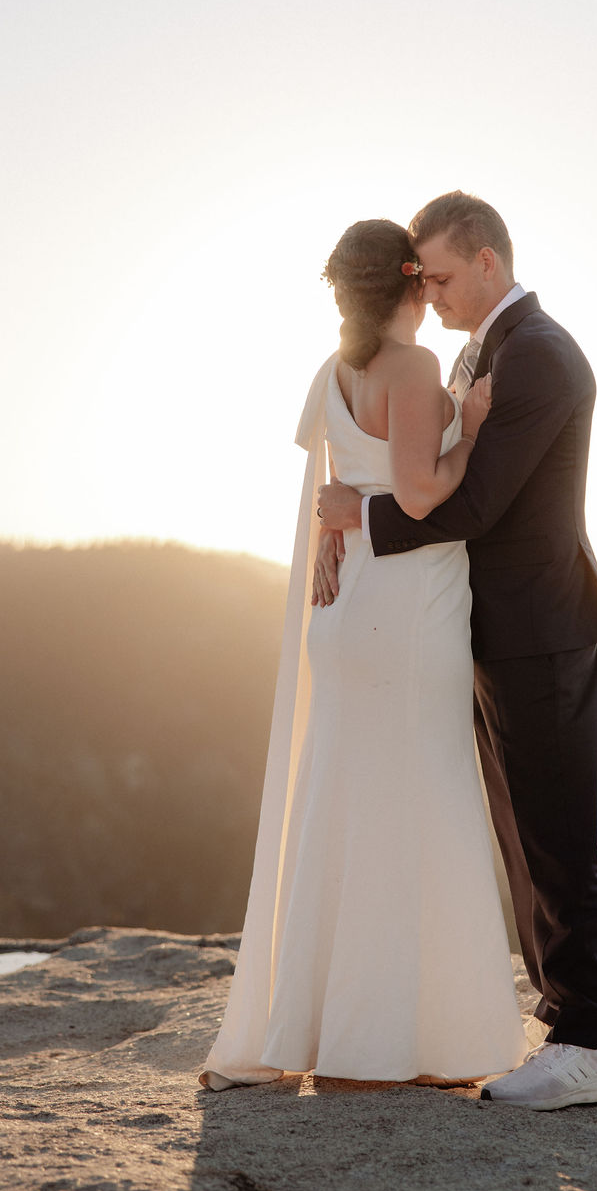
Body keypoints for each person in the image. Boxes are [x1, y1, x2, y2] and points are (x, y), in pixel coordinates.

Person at [199, 218, 526, 1090]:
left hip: (345, 614)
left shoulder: (335, 371)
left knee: (339, 809)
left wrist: (341, 516)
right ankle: (392, 1044)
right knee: (416, 806)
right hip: (407, 611)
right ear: (413, 283)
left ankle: (321, 1031)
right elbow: (419, 493)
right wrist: (476, 428)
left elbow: (339, 489)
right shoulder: (414, 369)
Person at [316, 191, 597, 1111]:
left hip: (542, 627)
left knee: (558, 833)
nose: (429, 290)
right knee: (521, 833)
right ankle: (557, 1014)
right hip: (492, 628)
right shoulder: (475, 352)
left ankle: (587, 1044)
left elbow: (477, 502)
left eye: (441, 275)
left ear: (488, 261)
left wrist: (363, 515)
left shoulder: (540, 354)